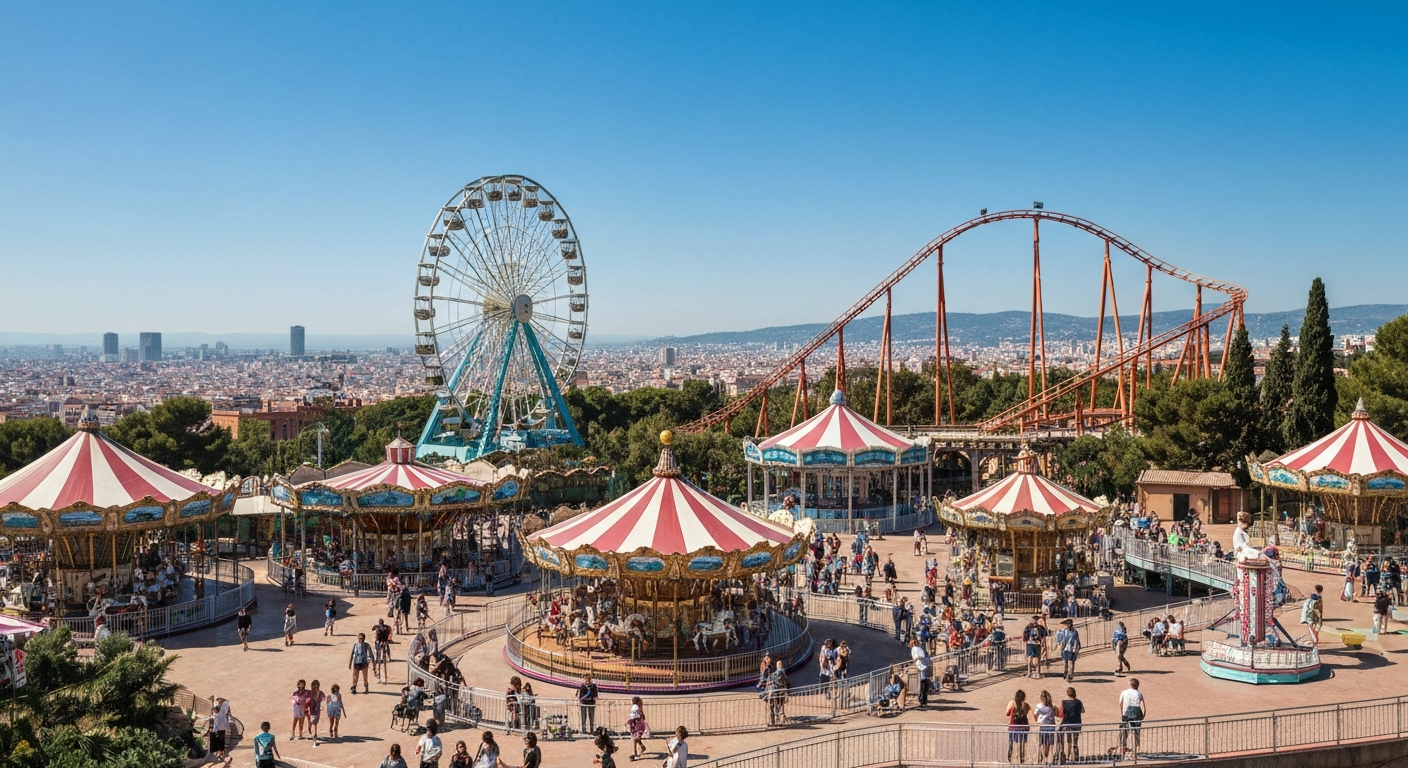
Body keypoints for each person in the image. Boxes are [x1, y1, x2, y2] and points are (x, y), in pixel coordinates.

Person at [1118, 678, 1145, 755]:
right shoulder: (1139, 693)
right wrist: (1143, 716)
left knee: (1124, 730)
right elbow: (1143, 705)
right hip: (1136, 713)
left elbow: (1120, 703)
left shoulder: (1124, 692)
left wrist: (1122, 713)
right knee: (1136, 731)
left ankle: (1123, 747)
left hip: (1126, 713)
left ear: (1130, 684)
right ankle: (1137, 748)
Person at [1059, 686, 1084, 763]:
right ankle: (1075, 756)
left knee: (1069, 740)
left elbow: (1060, 713)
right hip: (1076, 723)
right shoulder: (1078, 702)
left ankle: (1068, 755)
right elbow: (1082, 710)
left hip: (1067, 724)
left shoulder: (1064, 702)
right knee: (1075, 741)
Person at [1005, 689, 1031, 764]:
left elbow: (1007, 713)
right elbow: (1031, 716)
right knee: (1022, 744)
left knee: (1012, 743)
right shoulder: (1026, 705)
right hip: (1023, 727)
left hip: (1013, 727)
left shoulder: (1013, 704)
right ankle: (1021, 759)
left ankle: (1011, 759)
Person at [1034, 689, 1057, 765]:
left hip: (1043, 726)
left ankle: (1045, 760)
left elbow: (1035, 715)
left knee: (1044, 745)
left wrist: (1038, 719)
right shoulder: (1052, 705)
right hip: (1051, 726)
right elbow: (1057, 713)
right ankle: (1051, 762)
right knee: (1051, 746)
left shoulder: (1039, 706)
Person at [909, 639, 932, 708]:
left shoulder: (918, 649)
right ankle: (922, 701)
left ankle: (923, 701)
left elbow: (919, 657)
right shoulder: (917, 649)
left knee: (924, 687)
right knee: (923, 687)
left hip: (922, 668)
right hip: (921, 668)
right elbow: (916, 657)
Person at [626, 696, 649, 761]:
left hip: (637, 724)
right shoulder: (637, 707)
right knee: (636, 738)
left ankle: (635, 753)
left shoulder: (636, 707)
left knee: (635, 739)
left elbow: (638, 716)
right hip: (637, 724)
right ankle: (641, 747)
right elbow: (639, 716)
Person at [209, 696, 230, 761]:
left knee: (219, 741)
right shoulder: (223, 709)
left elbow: (215, 722)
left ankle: (220, 753)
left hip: (218, 729)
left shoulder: (217, 714)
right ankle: (220, 752)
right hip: (222, 728)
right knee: (221, 741)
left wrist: (213, 730)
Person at [307, 679, 327, 745]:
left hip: (317, 710)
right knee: (314, 723)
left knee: (315, 723)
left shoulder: (320, 693)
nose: (316, 689)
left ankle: (310, 728)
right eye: (314, 687)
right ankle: (314, 739)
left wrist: (323, 704)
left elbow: (324, 698)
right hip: (311, 711)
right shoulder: (309, 693)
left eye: (317, 687)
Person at [375, 618, 394, 683]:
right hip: (385, 642)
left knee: (379, 661)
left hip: (379, 643)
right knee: (384, 662)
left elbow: (373, 629)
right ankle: (385, 679)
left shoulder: (377, 627)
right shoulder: (387, 627)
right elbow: (390, 630)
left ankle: (379, 679)